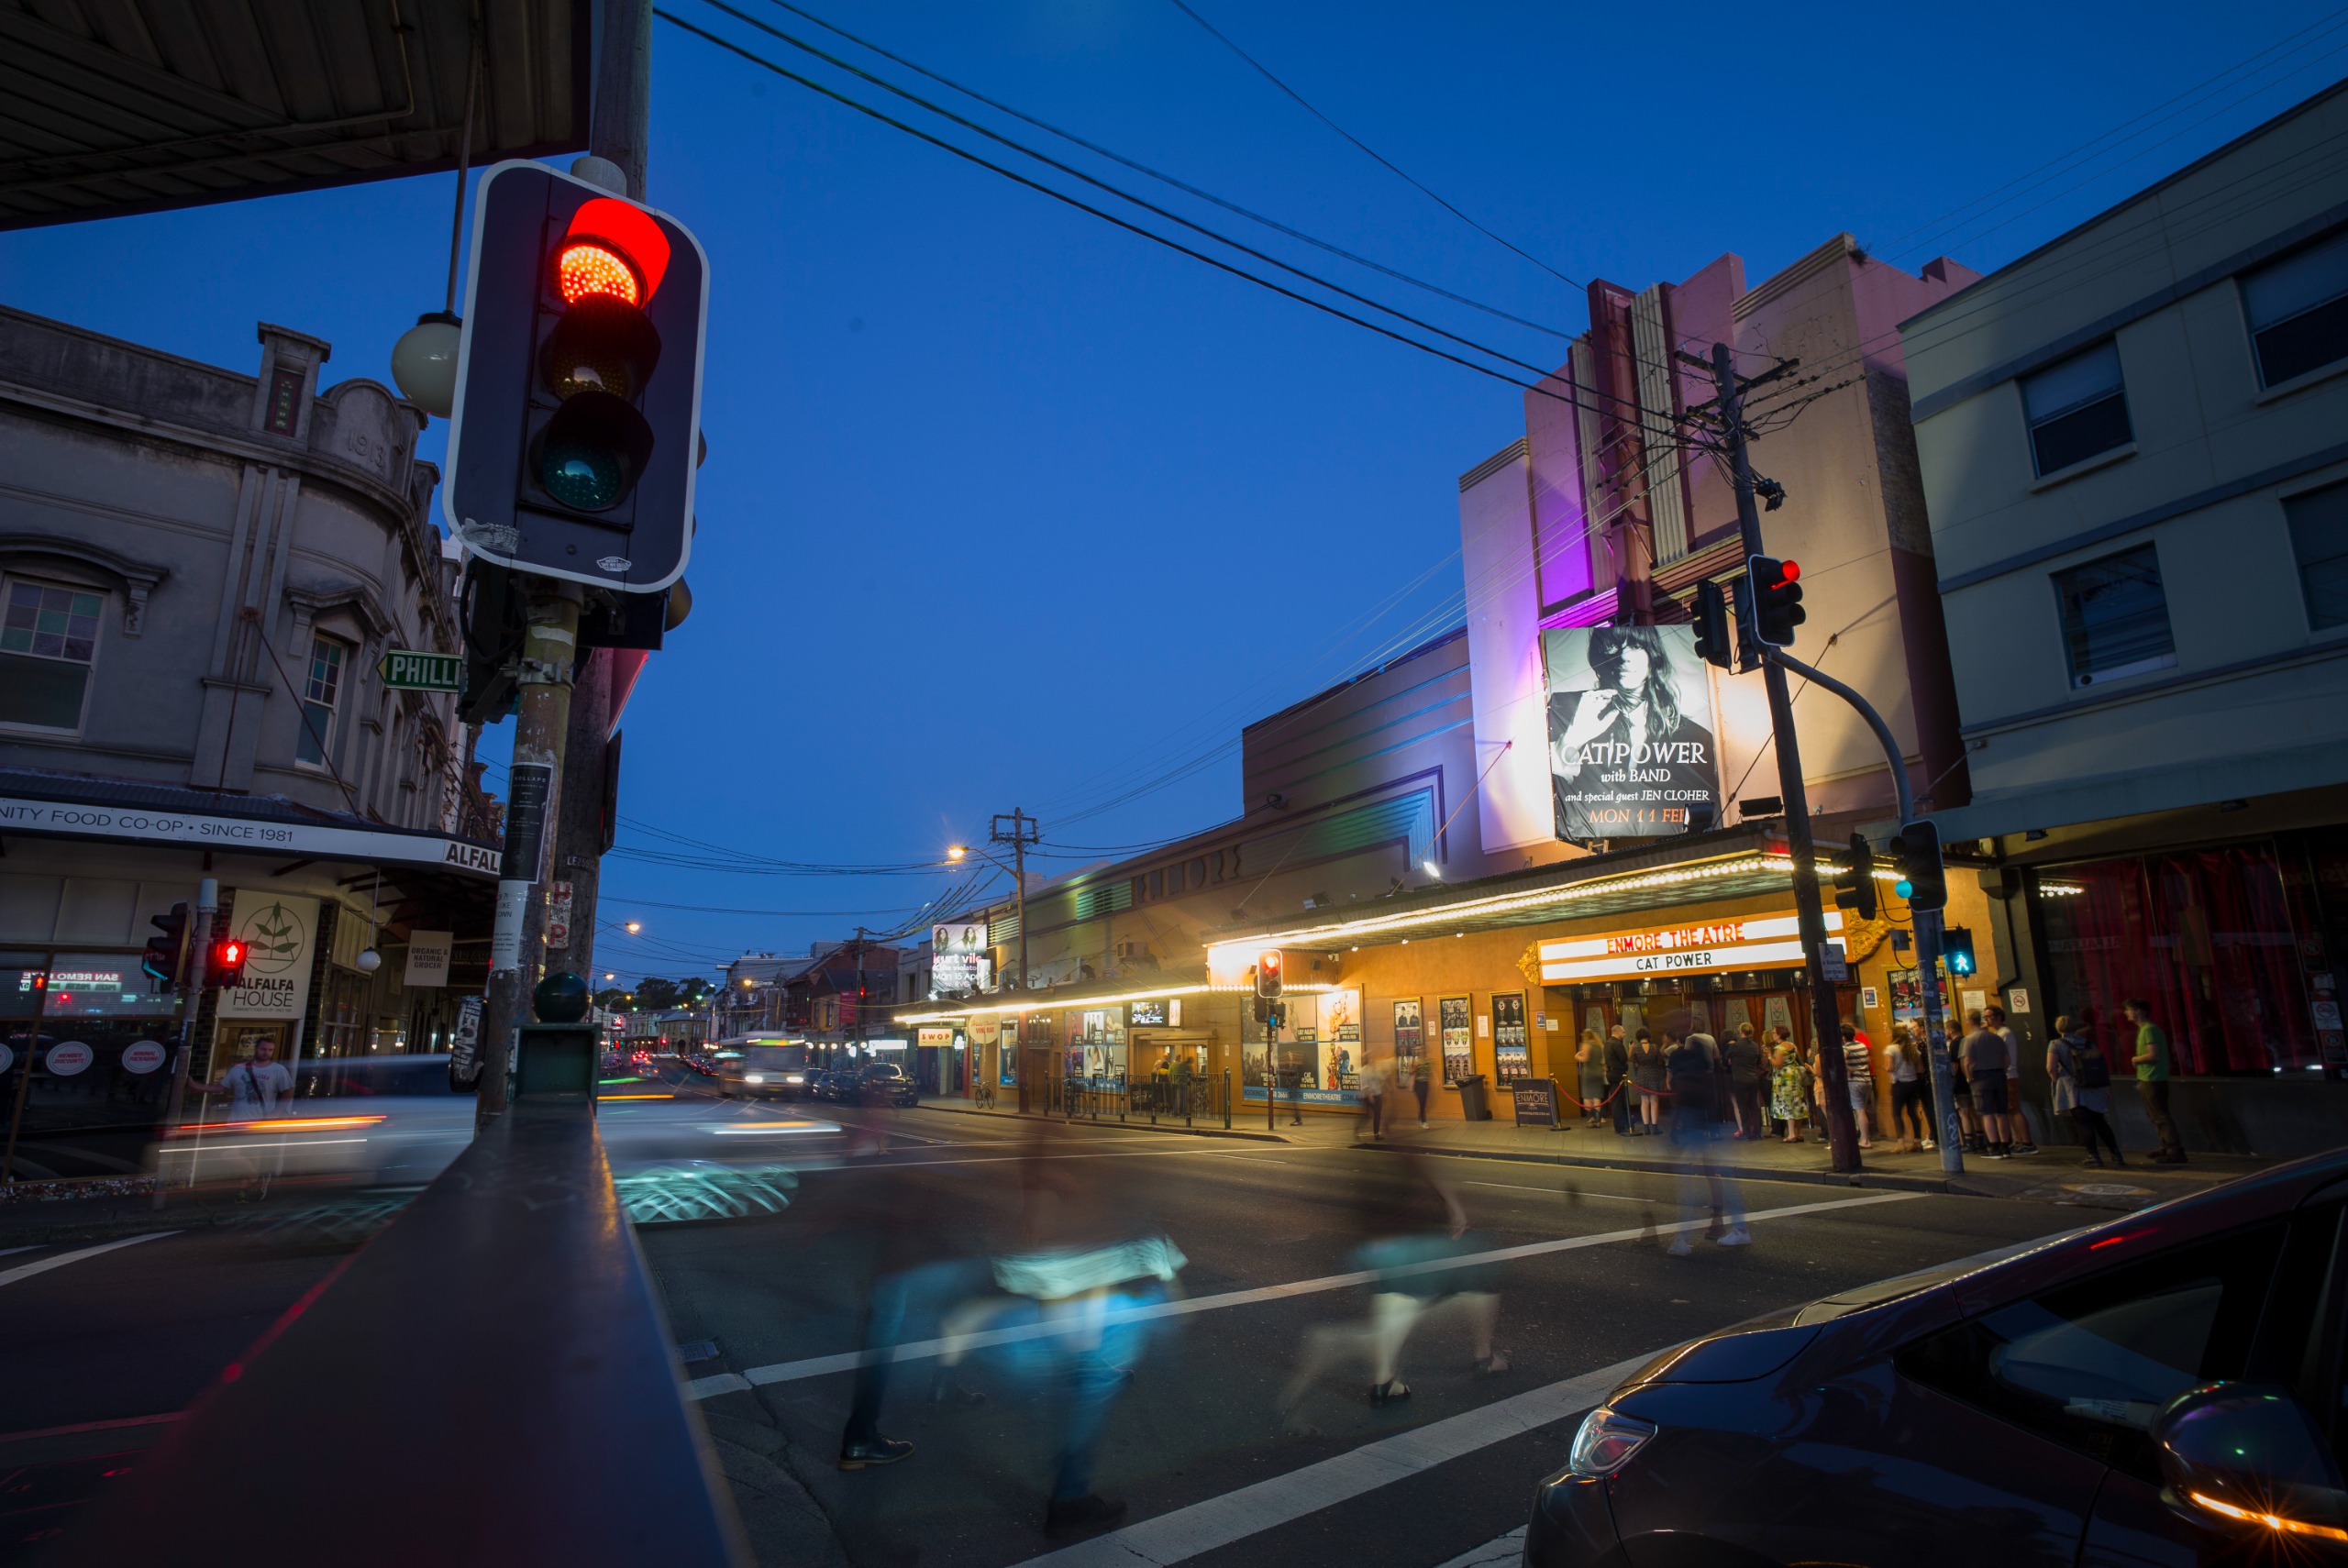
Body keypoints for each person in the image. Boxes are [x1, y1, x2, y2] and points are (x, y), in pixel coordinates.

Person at [1547, 625, 1720, 841]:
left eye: (1636, 646)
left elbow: (1706, 808)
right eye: (1613, 646)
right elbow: (1550, 789)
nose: (1624, 656)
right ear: (1600, 657)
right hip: (1590, 844)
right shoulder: (1564, 708)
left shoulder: (1694, 736)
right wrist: (1573, 736)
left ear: (1653, 657)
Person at [1663, 1026, 1747, 1252]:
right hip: (1711, 1126)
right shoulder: (1706, 1070)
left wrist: (1674, 1128)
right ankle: (1737, 1228)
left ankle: (1682, 1238)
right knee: (1721, 1177)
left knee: (1688, 1186)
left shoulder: (1684, 1067)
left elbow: (1681, 1096)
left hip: (1695, 1127)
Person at [2048, 1014, 2124, 1167]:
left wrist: (2058, 1080)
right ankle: (2116, 1154)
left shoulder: (2056, 1044)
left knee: (2083, 1123)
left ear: (2058, 1028)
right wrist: (2105, 1088)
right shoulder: (2088, 1043)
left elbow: (2051, 1068)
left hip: (2072, 1086)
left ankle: (2093, 1155)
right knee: (2099, 1121)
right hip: (2093, 1087)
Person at [2124, 998, 2186, 1164]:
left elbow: (2153, 1054)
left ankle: (2174, 1150)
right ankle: (2165, 1147)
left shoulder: (2149, 1030)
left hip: (2153, 1077)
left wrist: (2136, 1059)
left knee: (2160, 1115)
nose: (2126, 1013)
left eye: (2129, 1009)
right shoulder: (2145, 1029)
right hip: (2149, 1077)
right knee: (2155, 1114)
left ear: (2139, 1011)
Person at [1983, 1006, 2037, 1154]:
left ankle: (2027, 1142)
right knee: (2008, 1109)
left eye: (1989, 1016)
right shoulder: (2000, 1033)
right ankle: (2019, 1140)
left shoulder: (2004, 1034)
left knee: (2014, 1108)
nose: (1986, 1019)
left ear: (1999, 1016)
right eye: (1985, 1016)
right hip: (2004, 1074)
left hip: (2008, 1074)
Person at [192, 1035, 293, 1115]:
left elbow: (288, 1092)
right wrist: (194, 1085)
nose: (266, 1052)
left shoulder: (278, 1070)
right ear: (256, 1049)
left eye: (270, 1050)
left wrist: (275, 1114)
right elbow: (219, 1088)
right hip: (237, 1122)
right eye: (263, 1049)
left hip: (261, 1122)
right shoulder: (238, 1069)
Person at [1960, 1010, 2014, 1158]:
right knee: (2001, 1112)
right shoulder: (1996, 1038)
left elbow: (1967, 1062)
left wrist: (1969, 1077)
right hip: (1999, 1075)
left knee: (1987, 1113)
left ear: (1969, 1022)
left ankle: (1994, 1147)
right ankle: (2005, 1147)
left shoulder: (1970, 1039)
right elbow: (2007, 1059)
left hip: (1981, 1077)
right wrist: (2002, 1071)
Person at [1884, 1024, 1931, 1152]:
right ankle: (1917, 1142)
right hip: (1913, 1084)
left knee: (1897, 1113)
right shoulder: (1913, 1049)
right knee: (1912, 1113)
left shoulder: (1891, 1049)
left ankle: (1901, 1143)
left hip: (1899, 1083)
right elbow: (1921, 1069)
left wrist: (1887, 1067)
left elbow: (1889, 1067)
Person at [1724, 1023, 1767, 1140]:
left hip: (1740, 1079)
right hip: (1753, 1079)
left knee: (1742, 1106)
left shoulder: (1735, 1046)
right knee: (1754, 1106)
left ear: (1741, 1032)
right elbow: (1758, 1063)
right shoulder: (1755, 1046)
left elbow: (1725, 1058)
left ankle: (1746, 1131)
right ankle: (1757, 1132)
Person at [1839, 1024, 1877, 1150]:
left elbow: (1840, 1060)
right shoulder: (1862, 1046)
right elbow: (1867, 1061)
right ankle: (1864, 1137)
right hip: (1867, 1080)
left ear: (1843, 1037)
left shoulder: (1845, 1048)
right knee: (1862, 1110)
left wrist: (1848, 1069)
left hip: (1854, 1082)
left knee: (1859, 1111)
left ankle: (1864, 1140)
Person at [1629, 1029, 1666, 1134]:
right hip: (1654, 1075)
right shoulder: (1654, 1047)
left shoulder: (1636, 1048)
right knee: (1654, 1101)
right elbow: (1661, 1061)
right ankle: (1655, 1127)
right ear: (1648, 1036)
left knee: (1644, 1102)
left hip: (1641, 1075)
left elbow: (1633, 1061)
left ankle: (1646, 1127)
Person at [1770, 1042, 1809, 1143]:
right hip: (1795, 1076)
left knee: (1788, 1105)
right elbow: (1799, 1060)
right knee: (1798, 1104)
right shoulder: (1793, 1045)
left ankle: (1791, 1134)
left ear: (1778, 1035)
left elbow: (1778, 1064)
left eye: (1775, 1033)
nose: (1773, 1035)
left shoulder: (1779, 1048)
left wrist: (1770, 1057)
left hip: (1785, 1079)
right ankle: (1800, 1133)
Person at [1574, 1029, 1607, 1128]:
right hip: (1598, 1072)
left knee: (1588, 1097)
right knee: (1597, 1096)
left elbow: (1585, 1059)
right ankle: (1598, 1119)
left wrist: (1577, 1056)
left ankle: (1592, 1118)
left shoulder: (1586, 1044)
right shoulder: (1599, 1045)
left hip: (1588, 1074)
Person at [1603, 1025, 1633, 1135]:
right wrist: (1630, 1049)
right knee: (1618, 1100)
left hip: (1610, 1073)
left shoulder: (1607, 1043)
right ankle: (1620, 1126)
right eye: (1623, 1032)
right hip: (1618, 1073)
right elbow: (1624, 1059)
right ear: (1617, 1032)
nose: (1624, 1034)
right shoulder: (1617, 1044)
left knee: (1618, 1099)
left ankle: (1625, 1122)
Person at [1411, 1052, 1432, 1128]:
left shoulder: (1427, 1061)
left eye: (1420, 1049)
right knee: (1421, 1102)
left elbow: (1430, 1071)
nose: (1418, 1051)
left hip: (1425, 1083)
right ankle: (1423, 1121)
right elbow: (1411, 1072)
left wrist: (1436, 1079)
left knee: (1423, 1103)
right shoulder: (1415, 1061)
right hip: (1418, 1084)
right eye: (1417, 1050)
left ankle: (1420, 1119)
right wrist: (1416, 1066)